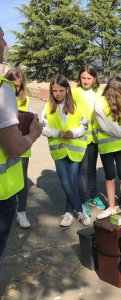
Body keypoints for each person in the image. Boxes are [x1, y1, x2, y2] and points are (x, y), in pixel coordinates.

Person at [0, 75, 42, 256]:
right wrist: (33, 134)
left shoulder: (21, 99)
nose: (3, 45)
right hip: (3, 189)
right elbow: (14, 148)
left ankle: (21, 211)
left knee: (23, 181)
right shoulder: (3, 88)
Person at [41, 74, 91, 227]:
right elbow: (43, 128)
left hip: (75, 150)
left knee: (72, 181)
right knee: (65, 183)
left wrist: (73, 133)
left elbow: (84, 126)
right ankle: (80, 210)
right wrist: (58, 133)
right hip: (59, 150)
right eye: (55, 90)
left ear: (67, 90)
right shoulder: (47, 107)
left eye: (61, 90)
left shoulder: (78, 106)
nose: (58, 93)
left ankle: (69, 213)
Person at [94, 76, 121, 219]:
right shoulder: (99, 103)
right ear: (116, 90)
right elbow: (107, 125)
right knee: (109, 176)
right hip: (106, 147)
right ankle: (111, 208)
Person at [72, 64, 105, 217]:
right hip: (81, 137)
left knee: (92, 169)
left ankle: (93, 196)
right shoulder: (75, 92)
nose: (85, 81)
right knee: (82, 171)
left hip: (95, 137)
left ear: (94, 79)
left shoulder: (99, 93)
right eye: (83, 77)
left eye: (89, 78)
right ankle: (83, 200)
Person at [4, 68, 35, 228]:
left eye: (19, 86)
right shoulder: (3, 97)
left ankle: (21, 212)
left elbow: (35, 122)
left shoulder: (27, 101)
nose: (16, 89)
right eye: (13, 85)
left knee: (21, 180)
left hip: (23, 146)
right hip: (4, 147)